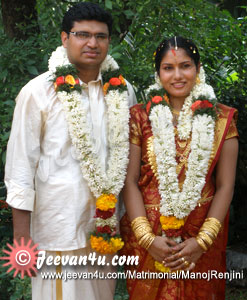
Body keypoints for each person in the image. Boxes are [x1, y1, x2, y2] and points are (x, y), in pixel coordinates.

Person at [5, 2, 136, 300]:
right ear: (65, 38)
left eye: (101, 36)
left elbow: (128, 164)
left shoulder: (123, 91)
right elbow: (20, 168)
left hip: (105, 230)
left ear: (109, 41)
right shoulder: (38, 92)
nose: (92, 43)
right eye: (82, 34)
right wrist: (21, 239)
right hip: (58, 231)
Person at [120, 36, 238, 300]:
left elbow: (226, 185)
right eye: (168, 67)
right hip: (150, 234)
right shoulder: (139, 116)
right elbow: (129, 180)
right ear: (158, 72)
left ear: (198, 69)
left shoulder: (221, 118)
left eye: (185, 66)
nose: (177, 75)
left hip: (200, 235)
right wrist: (148, 239)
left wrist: (202, 241)